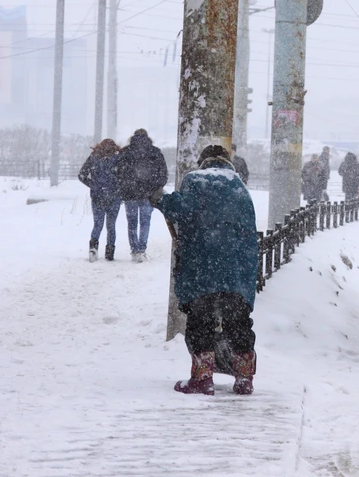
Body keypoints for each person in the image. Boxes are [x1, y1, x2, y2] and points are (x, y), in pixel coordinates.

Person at [150, 145, 258, 396]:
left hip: (202, 268)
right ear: (227, 162)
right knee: (239, 323)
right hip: (235, 271)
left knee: (201, 323)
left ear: (203, 161)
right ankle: (244, 379)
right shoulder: (240, 187)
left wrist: (160, 199)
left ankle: (202, 379)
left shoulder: (195, 180)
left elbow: (181, 210)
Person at [115, 128, 168, 262]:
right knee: (145, 223)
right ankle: (142, 250)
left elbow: (118, 172)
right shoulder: (155, 152)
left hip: (130, 193)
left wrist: (123, 187)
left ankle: (134, 249)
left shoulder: (126, 152)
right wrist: (156, 188)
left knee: (132, 223)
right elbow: (163, 173)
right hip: (148, 194)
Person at [78, 139, 122, 262]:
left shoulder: (94, 157)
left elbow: (81, 175)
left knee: (98, 224)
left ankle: (93, 248)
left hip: (97, 196)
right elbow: (124, 176)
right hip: (114, 196)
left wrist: (93, 185)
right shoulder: (118, 158)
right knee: (111, 225)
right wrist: (119, 188)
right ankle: (110, 251)